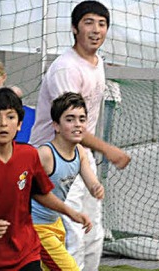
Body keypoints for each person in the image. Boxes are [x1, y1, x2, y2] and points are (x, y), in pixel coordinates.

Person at [29, 0, 131, 270]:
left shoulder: (97, 63)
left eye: (102, 24)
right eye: (89, 22)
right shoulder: (66, 68)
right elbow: (70, 128)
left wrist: (91, 164)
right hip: (53, 162)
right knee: (70, 234)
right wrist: (108, 150)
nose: (96, 30)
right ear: (74, 29)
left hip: (81, 158)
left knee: (93, 232)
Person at [0, 88, 92, 271]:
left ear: (19, 124)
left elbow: (40, 193)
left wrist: (70, 212)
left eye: (10, 117)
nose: (3, 124)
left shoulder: (29, 155)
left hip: (26, 252)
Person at [32, 92, 104, 270]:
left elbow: (90, 178)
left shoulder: (79, 151)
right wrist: (72, 213)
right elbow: (37, 193)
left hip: (55, 223)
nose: (77, 124)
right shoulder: (45, 155)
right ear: (56, 125)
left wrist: (96, 187)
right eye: (70, 119)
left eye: (82, 119)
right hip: (36, 228)